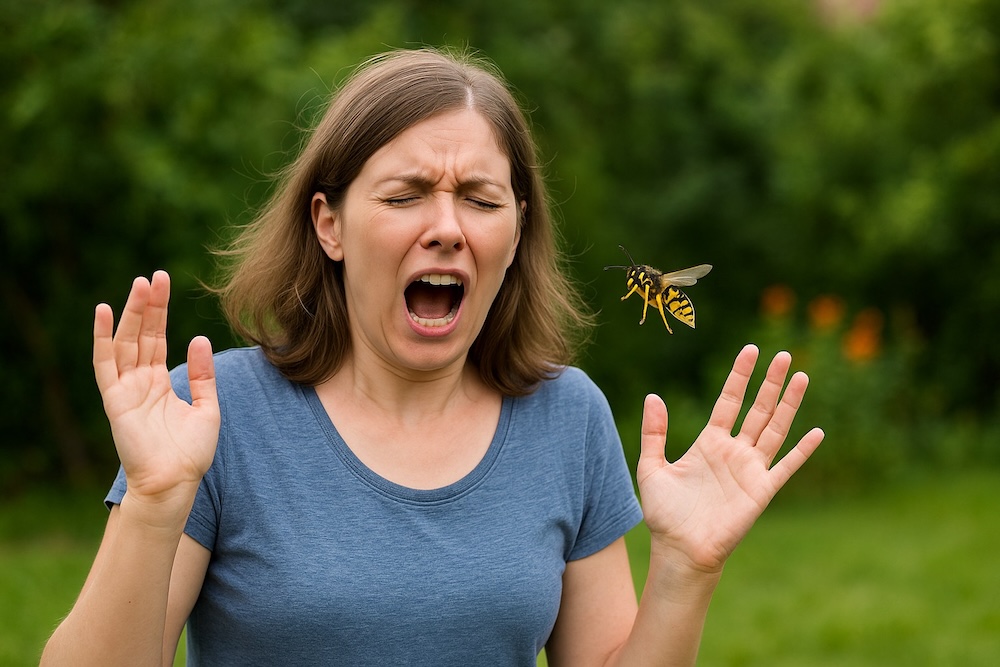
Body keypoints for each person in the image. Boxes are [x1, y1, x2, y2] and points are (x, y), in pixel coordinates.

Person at [42, 47, 824, 666]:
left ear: (515, 233)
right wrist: (150, 499)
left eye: (481, 200)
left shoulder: (568, 417)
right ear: (329, 225)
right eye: (405, 194)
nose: (448, 227)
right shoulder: (213, 418)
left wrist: (685, 569)